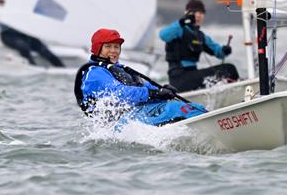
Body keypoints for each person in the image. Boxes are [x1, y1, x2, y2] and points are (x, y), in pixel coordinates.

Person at [74, 28, 206, 125]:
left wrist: (162, 90)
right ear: (98, 49)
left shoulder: (119, 69)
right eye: (108, 46)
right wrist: (153, 93)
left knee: (193, 107)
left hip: (137, 114)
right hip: (120, 124)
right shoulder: (95, 74)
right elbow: (121, 94)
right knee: (177, 109)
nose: (114, 50)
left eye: (116, 46)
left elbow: (144, 86)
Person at [159, 0, 239, 92]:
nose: (198, 15)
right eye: (194, 12)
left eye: (201, 12)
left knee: (228, 69)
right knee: (229, 69)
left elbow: (218, 52)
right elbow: (163, 35)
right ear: (186, 13)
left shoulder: (201, 36)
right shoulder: (179, 29)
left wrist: (225, 50)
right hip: (179, 79)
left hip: (192, 76)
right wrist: (181, 22)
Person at [0, 24, 65, 67]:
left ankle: (62, 68)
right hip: (8, 34)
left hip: (26, 34)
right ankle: (33, 67)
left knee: (43, 49)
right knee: (23, 47)